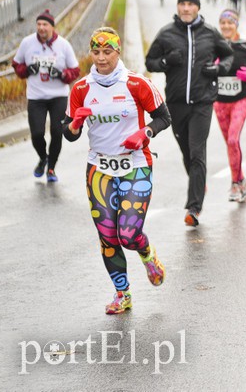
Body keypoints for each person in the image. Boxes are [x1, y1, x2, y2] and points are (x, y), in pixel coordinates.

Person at [62, 28, 171, 314]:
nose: (100, 58)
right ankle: (122, 294)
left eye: (106, 52)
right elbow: (69, 132)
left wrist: (145, 132)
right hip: (99, 168)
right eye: (95, 52)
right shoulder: (82, 89)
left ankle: (147, 254)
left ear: (117, 52)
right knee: (108, 235)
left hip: (135, 165)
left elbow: (163, 117)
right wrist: (74, 126)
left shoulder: (137, 84)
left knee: (129, 234)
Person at [145, 0, 234, 227]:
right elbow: (149, 62)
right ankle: (198, 181)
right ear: (178, 7)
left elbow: (228, 57)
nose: (186, 9)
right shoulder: (166, 34)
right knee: (187, 152)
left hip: (202, 102)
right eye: (182, 4)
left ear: (197, 8)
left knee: (197, 152)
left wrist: (218, 70)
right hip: (176, 104)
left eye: (190, 5)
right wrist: (165, 62)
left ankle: (193, 208)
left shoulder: (210, 33)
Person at [12, 9, 80, 182]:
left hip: (58, 96)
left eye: (45, 24)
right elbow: (16, 64)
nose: (41, 28)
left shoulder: (63, 45)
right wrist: (26, 70)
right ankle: (43, 158)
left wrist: (62, 74)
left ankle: (51, 169)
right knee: (37, 133)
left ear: (52, 27)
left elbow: (75, 70)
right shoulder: (27, 43)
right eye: (39, 24)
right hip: (36, 97)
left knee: (57, 132)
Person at [213, 9, 246, 203]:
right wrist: (213, 67)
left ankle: (235, 184)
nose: (226, 26)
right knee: (230, 144)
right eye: (223, 23)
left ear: (236, 25)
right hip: (219, 101)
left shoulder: (245, 46)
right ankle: (241, 179)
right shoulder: (213, 45)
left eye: (230, 23)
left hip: (241, 98)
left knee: (234, 140)